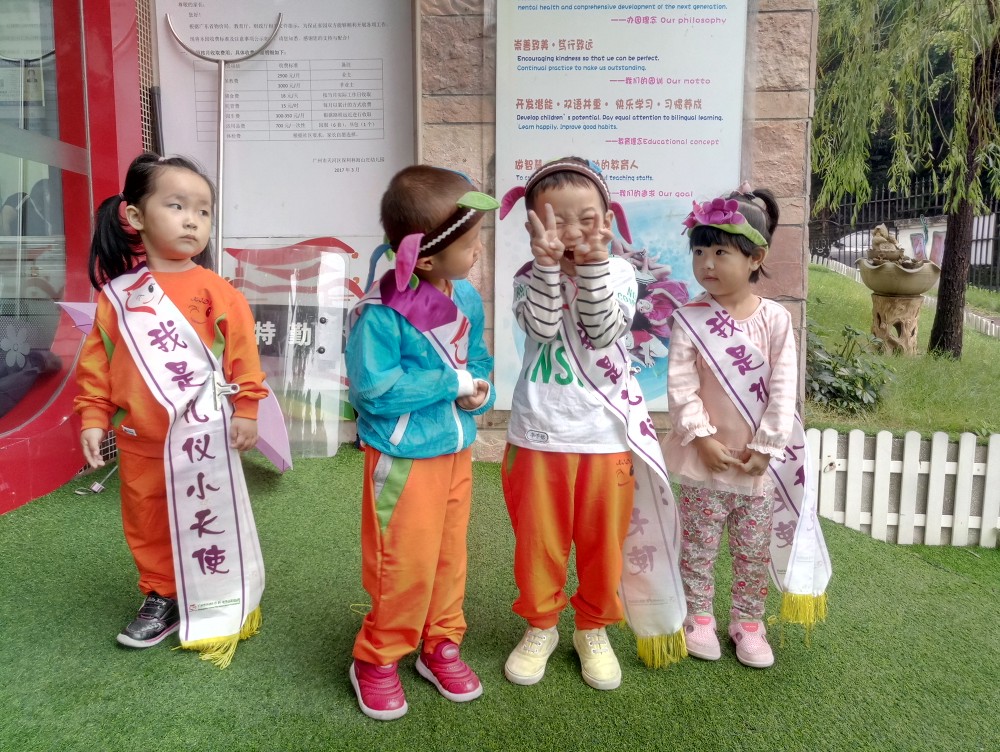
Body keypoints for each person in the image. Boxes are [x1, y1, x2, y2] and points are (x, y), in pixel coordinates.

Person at [497, 157, 687, 691]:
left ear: (606, 219)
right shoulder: (526, 278)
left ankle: (593, 628)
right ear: (533, 225)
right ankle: (541, 625)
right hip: (538, 431)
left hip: (606, 436)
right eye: (555, 221)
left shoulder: (622, 274)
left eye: (585, 219)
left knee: (604, 544)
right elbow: (541, 326)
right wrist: (546, 267)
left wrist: (596, 262)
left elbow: (602, 332)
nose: (572, 231)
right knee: (539, 543)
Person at [74, 153, 267, 667]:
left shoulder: (217, 292)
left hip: (204, 437)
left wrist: (247, 408)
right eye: (177, 206)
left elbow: (243, 357)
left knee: (209, 515)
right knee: (147, 520)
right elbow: (97, 364)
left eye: (203, 211)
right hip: (140, 438)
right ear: (136, 216)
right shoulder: (119, 297)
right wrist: (93, 417)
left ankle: (217, 592)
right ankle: (161, 593)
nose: (191, 220)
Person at [346, 165, 498, 721]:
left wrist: (478, 392)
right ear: (428, 258)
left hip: (456, 450)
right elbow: (373, 391)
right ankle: (379, 655)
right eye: (470, 242)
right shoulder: (381, 312)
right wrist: (449, 383)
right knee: (403, 560)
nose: (478, 250)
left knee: (450, 555)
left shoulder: (466, 297)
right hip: (404, 456)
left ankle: (441, 642)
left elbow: (477, 361)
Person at [665, 188, 831, 669]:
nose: (707, 263)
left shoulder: (775, 319)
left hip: (758, 466)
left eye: (721, 252)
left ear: (756, 257)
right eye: (699, 251)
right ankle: (698, 616)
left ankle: (748, 622)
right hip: (704, 460)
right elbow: (681, 385)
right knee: (697, 546)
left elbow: (783, 387)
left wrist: (766, 446)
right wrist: (701, 437)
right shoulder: (690, 319)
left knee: (752, 551)